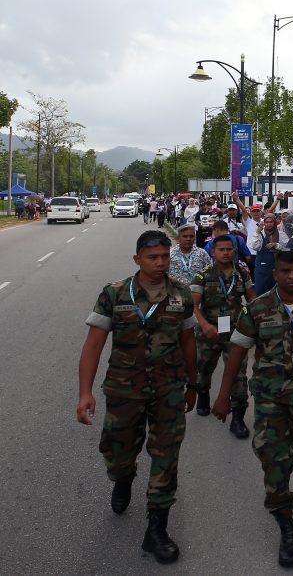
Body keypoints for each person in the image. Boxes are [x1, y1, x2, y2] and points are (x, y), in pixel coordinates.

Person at [76, 230, 197, 564]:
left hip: (168, 390)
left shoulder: (181, 294)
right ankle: (123, 477)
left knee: (166, 455)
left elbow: (188, 341)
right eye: (152, 257)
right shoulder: (114, 294)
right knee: (117, 452)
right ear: (137, 260)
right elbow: (94, 345)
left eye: (164, 257)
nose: (160, 263)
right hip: (123, 390)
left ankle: (157, 528)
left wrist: (193, 385)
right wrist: (85, 392)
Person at [212, 251, 293, 567]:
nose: (291, 276)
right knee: (275, 458)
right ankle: (286, 522)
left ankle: (275, 469)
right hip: (270, 396)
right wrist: (224, 397)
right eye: (285, 271)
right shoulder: (258, 308)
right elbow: (237, 352)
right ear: (275, 273)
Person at [191, 234, 256, 435]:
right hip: (208, 332)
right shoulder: (203, 274)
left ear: (234, 251)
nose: (226, 253)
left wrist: (254, 327)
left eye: (229, 249)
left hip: (236, 332)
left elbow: (252, 300)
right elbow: (193, 305)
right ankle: (203, 394)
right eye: (222, 249)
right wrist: (204, 324)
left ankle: (237, 418)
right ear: (213, 252)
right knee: (204, 369)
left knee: (239, 375)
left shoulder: (242, 273)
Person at [250, 213, 290, 296]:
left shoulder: (281, 234)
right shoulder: (261, 234)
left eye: (271, 222)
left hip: (278, 267)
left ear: (275, 222)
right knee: (261, 293)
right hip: (262, 269)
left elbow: (288, 247)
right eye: (267, 222)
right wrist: (257, 231)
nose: (269, 224)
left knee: (278, 293)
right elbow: (254, 246)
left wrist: (277, 245)